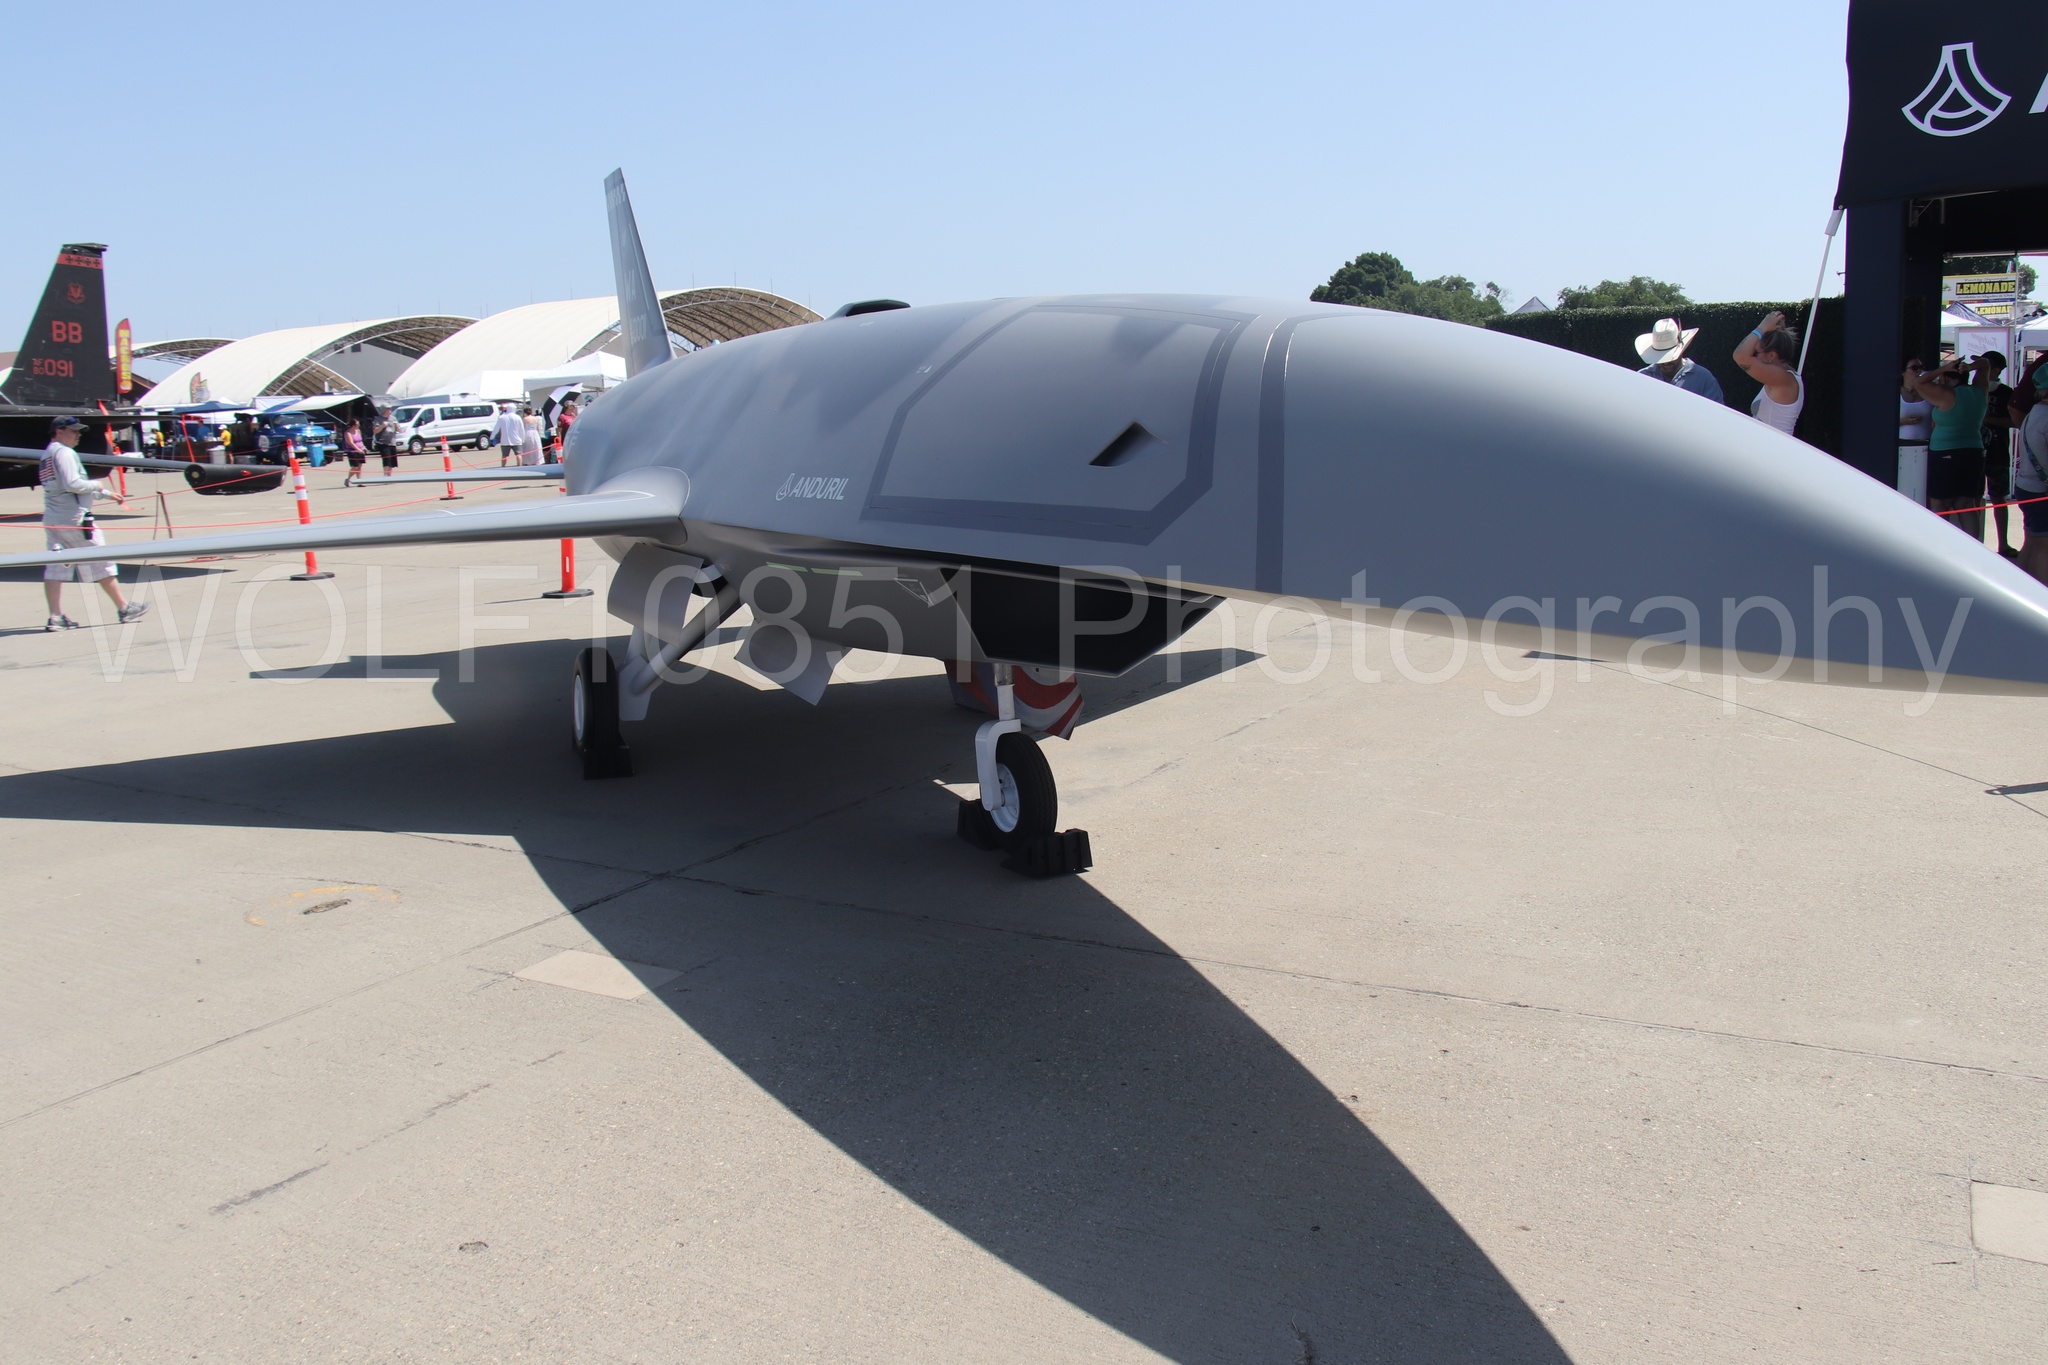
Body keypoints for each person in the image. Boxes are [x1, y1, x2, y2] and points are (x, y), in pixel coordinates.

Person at [37, 417, 148, 631]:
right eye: (73, 431)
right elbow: (73, 484)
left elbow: (64, 487)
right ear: (59, 431)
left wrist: (106, 494)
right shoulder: (65, 453)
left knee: (55, 567)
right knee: (101, 559)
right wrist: (97, 484)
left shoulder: (47, 454)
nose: (78, 435)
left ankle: (55, 617)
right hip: (75, 519)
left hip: (53, 518)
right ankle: (125, 608)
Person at [1910, 354, 1991, 539]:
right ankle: (1975, 548)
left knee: (1940, 504)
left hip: (1946, 453)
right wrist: (1970, 367)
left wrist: (1942, 368)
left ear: (1947, 377)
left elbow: (1918, 383)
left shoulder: (1947, 394)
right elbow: (1985, 364)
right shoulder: (1979, 391)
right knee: (1966, 503)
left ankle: (1943, 547)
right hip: (1974, 451)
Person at [1733, 310, 1803, 435]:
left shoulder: (1782, 378)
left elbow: (1740, 356)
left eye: (1756, 353)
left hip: (1774, 450)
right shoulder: (1783, 377)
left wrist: (1762, 327)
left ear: (1771, 355)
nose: (1753, 357)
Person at [1977, 352, 2018, 557]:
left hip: (1998, 450)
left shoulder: (2006, 393)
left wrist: (1987, 419)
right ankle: (1975, 542)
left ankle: (2003, 544)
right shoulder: (1972, 388)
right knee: (1973, 499)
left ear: (1996, 370)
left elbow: (2014, 421)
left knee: (1999, 497)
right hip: (1974, 452)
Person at [1635, 318, 1725, 403]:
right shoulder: (1642, 377)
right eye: (1661, 358)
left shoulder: (1703, 378)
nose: (1666, 362)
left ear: (1681, 350)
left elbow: (1715, 414)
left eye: (1669, 357)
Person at [2012, 370, 2048, 585]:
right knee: (2044, 547)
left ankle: (2021, 587)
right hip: (2040, 490)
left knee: (2031, 543)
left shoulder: (2034, 411)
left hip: (2025, 486)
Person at [490, 401, 526, 467]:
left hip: (505, 440)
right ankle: (520, 466)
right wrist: (523, 438)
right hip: (516, 440)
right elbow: (522, 429)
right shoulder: (517, 418)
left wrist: (492, 436)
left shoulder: (502, 417)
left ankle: (503, 467)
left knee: (504, 455)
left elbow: (496, 428)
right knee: (518, 455)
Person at [373, 404, 400, 477]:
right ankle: (385, 475)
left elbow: (398, 429)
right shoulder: (378, 419)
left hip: (392, 442)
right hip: (383, 443)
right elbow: (375, 431)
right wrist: (382, 426)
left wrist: (397, 426)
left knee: (392, 461)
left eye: (390, 408)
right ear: (384, 410)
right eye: (388, 408)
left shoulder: (393, 418)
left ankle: (389, 475)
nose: (389, 410)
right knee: (386, 460)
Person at [339, 419, 368, 485]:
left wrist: (363, 447)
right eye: (357, 424)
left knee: (360, 466)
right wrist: (358, 449)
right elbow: (351, 443)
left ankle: (360, 481)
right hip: (352, 451)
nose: (359, 426)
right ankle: (348, 479)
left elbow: (360, 440)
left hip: (361, 450)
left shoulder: (358, 431)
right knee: (355, 467)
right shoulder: (348, 433)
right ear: (353, 425)